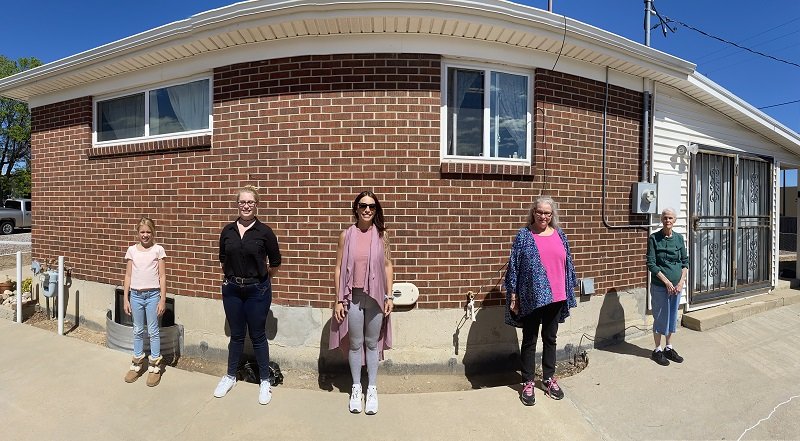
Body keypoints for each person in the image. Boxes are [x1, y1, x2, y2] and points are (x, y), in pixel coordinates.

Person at [505, 196, 577, 406]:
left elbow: (568, 264)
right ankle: (527, 382)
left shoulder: (560, 235)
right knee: (529, 340)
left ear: (552, 215)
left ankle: (548, 378)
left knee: (550, 339)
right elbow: (514, 266)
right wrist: (513, 295)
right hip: (531, 297)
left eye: (547, 213)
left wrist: (569, 289)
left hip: (556, 296)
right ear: (533, 213)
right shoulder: (524, 235)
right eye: (539, 212)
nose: (543, 216)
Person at [215, 185, 282, 405]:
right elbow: (223, 258)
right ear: (237, 204)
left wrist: (261, 279)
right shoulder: (228, 231)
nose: (246, 206)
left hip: (257, 290)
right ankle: (230, 376)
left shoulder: (265, 232)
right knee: (236, 335)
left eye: (250, 202)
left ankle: (264, 380)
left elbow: (276, 263)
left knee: (257, 336)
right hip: (232, 289)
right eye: (242, 202)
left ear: (256, 205)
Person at [329, 191, 394, 415]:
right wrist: (338, 299)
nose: (367, 210)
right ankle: (356, 387)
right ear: (355, 208)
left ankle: (372, 388)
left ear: (376, 210)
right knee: (355, 344)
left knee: (372, 343)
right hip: (352, 297)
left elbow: (387, 266)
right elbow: (338, 268)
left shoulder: (382, 235)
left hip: (375, 297)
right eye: (363, 206)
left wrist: (389, 296)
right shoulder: (346, 235)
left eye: (372, 207)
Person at [123, 217, 167, 387]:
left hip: (153, 296)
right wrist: (126, 298)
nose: (145, 235)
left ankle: (155, 366)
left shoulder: (158, 250)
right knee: (138, 330)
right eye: (142, 232)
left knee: (153, 331)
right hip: (135, 296)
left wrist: (162, 299)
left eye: (148, 232)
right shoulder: (132, 251)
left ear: (153, 232)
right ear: (138, 233)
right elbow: (128, 275)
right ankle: (137, 364)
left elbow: (162, 276)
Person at [646, 207, 688, 366]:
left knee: (672, 318)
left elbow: (685, 261)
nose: (667, 220)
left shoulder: (679, 238)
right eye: (665, 218)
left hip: (677, 287)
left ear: (674, 220)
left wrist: (681, 281)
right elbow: (651, 264)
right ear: (661, 220)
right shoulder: (654, 239)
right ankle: (657, 350)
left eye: (670, 218)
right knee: (660, 317)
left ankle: (668, 348)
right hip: (661, 287)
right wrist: (667, 282)